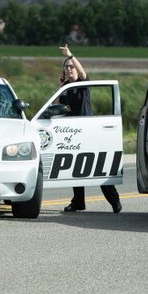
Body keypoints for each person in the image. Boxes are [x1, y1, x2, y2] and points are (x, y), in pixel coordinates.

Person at [57, 44, 122, 214]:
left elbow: (83, 72)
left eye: (71, 67)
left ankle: (114, 200)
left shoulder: (82, 84)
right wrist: (60, 85)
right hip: (73, 132)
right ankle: (78, 202)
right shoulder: (66, 89)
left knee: (98, 166)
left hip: (88, 129)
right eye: (66, 67)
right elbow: (58, 104)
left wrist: (70, 55)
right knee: (76, 168)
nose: (69, 69)